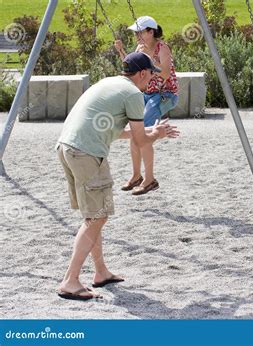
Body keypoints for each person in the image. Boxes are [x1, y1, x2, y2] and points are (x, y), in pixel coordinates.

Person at [56, 52, 179, 300]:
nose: (153, 79)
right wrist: (158, 134)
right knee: (97, 218)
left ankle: (100, 272)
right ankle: (70, 280)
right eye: (152, 74)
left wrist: (149, 130)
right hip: (87, 153)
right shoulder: (134, 94)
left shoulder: (108, 83)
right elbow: (140, 141)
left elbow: (113, 129)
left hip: (67, 147)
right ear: (142, 73)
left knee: (93, 216)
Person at [114, 16, 179, 195]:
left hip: (164, 95)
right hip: (147, 93)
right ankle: (136, 176)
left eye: (140, 32)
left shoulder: (162, 48)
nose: (137, 36)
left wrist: (150, 59)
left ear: (151, 31)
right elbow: (132, 68)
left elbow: (165, 74)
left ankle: (149, 179)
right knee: (135, 130)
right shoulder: (140, 48)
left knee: (142, 133)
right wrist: (121, 52)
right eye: (136, 32)